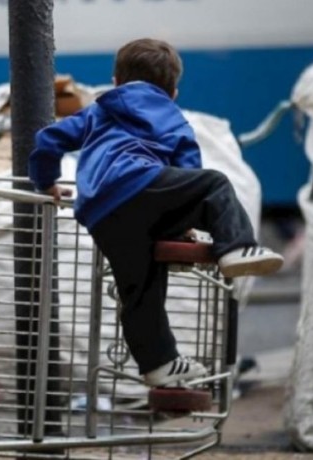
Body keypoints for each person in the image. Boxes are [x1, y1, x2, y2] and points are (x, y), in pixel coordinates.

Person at [28, 38, 284, 387]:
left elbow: (48, 140)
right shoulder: (171, 114)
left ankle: (159, 364)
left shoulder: (100, 110)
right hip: (139, 184)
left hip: (103, 213)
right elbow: (188, 169)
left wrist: (47, 183)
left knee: (140, 291)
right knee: (214, 184)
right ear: (173, 92)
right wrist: (190, 225)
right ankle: (236, 247)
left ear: (116, 82)